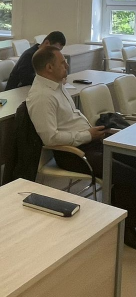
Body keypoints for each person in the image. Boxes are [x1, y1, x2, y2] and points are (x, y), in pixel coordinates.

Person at [27, 46, 136, 248]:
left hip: (89, 142)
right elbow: (50, 139)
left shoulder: (57, 86)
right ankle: (126, 230)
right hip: (73, 154)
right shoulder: (42, 97)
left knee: (132, 159)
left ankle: (124, 213)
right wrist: (87, 135)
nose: (67, 65)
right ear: (49, 67)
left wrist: (91, 133)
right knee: (129, 175)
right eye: (62, 63)